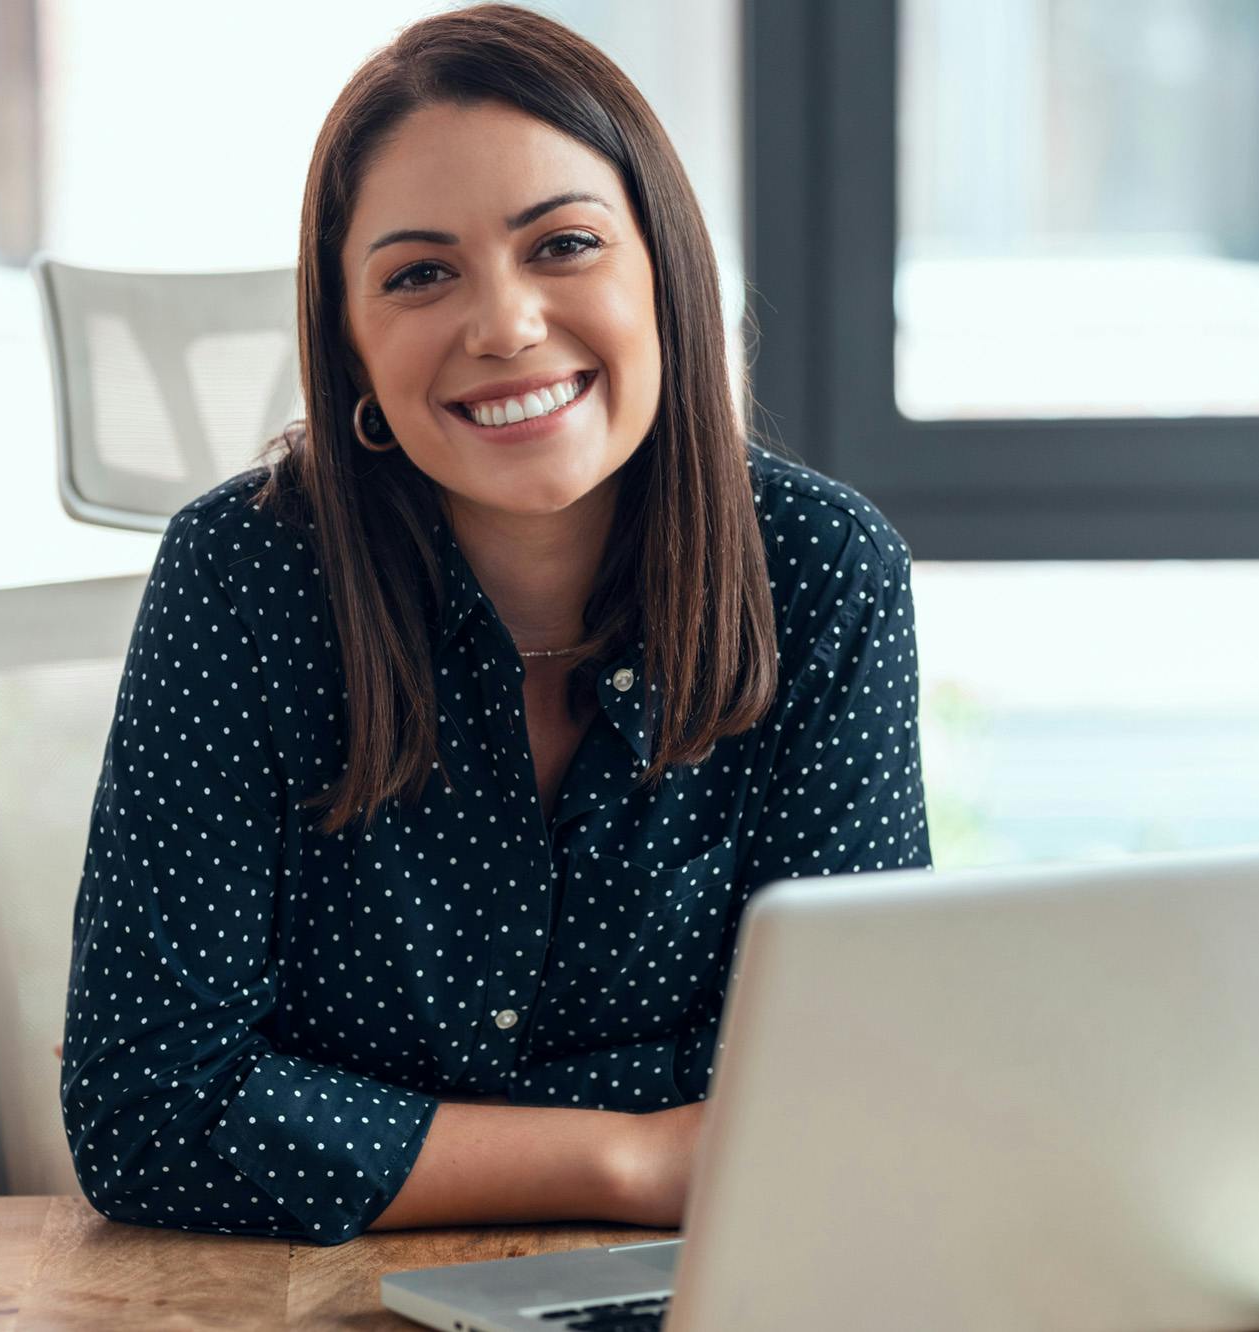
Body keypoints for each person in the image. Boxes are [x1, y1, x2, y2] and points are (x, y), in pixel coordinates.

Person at [59, 1, 931, 1247]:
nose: (505, 326)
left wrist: (350, 1124)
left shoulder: (819, 574)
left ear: (663, 274)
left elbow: (840, 1091)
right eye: (420, 274)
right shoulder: (243, 575)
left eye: (563, 244)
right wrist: (635, 1157)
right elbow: (150, 1114)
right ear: (352, 347)